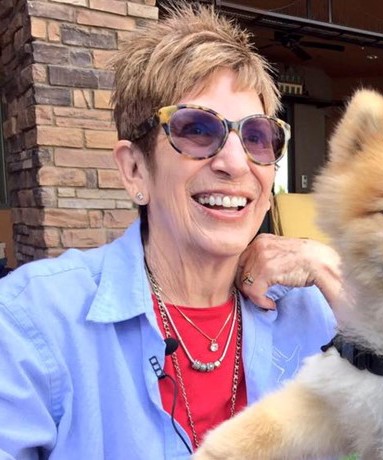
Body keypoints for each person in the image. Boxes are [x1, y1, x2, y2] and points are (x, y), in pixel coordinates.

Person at [0, 6, 342, 459]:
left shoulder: (314, 311)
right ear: (135, 169)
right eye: (197, 130)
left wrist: (330, 268)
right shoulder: (32, 321)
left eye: (257, 137)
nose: (236, 162)